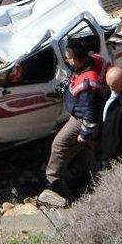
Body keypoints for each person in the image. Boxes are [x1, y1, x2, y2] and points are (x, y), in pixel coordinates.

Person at [38, 40, 107, 206]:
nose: (66, 59)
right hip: (83, 113)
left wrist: (84, 132)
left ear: (76, 60)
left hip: (81, 119)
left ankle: (53, 183)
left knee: (59, 145)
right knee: (85, 147)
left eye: (68, 57)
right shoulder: (96, 60)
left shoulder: (88, 85)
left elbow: (90, 113)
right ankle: (90, 175)